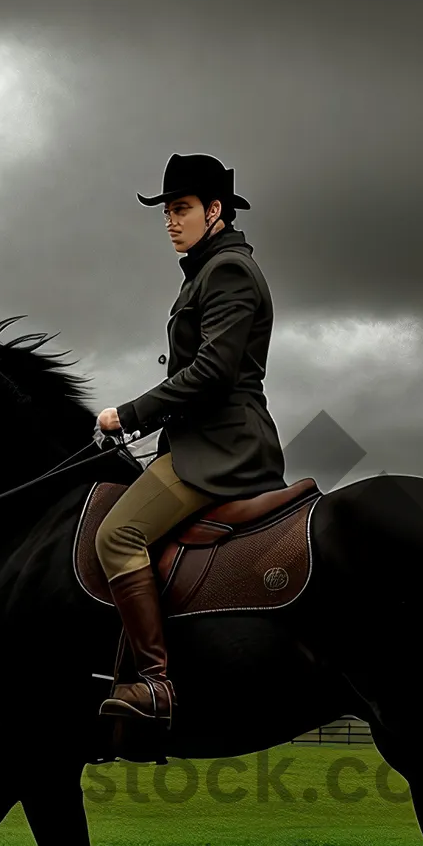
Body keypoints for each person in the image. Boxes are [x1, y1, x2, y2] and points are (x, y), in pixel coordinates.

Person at [95, 152, 288, 728]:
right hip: (209, 441)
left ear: (215, 210)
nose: (170, 222)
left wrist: (127, 415)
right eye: (166, 212)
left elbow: (212, 373)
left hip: (222, 448)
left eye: (180, 209)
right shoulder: (209, 270)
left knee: (117, 534)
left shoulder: (227, 271)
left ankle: (154, 684)